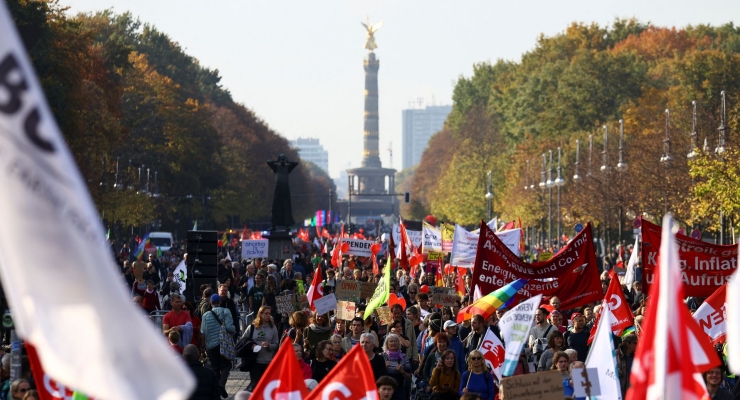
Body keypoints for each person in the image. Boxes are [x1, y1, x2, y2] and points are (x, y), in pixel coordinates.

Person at [201, 294, 235, 398]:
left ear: (210, 303)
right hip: (223, 344)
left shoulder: (205, 315)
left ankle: (216, 390)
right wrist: (234, 330)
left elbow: (203, 331)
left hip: (211, 345)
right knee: (226, 365)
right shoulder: (226, 311)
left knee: (215, 367)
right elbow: (229, 328)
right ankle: (221, 385)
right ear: (220, 302)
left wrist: (204, 346)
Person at [244, 306, 279, 391]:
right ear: (260, 314)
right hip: (255, 361)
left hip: (268, 362)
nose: (268, 315)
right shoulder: (252, 327)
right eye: (266, 313)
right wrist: (251, 345)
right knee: (256, 386)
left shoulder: (273, 328)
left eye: (269, 314)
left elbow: (276, 344)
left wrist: (269, 345)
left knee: (267, 388)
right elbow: (244, 340)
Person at [381, 334, 412, 400]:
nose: (393, 343)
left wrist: (402, 371)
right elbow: (376, 376)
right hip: (384, 390)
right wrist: (384, 368)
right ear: (387, 344)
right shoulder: (381, 356)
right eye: (391, 341)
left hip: (399, 390)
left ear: (399, 343)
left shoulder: (404, 357)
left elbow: (409, 377)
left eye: (395, 341)